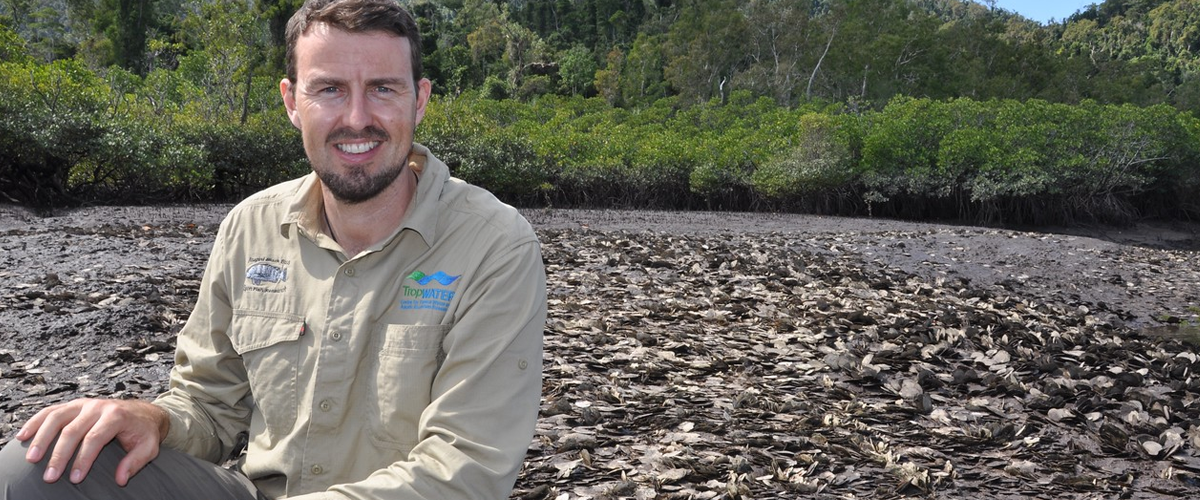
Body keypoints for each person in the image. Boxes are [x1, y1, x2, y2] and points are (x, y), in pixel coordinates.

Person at [0, 0, 547, 498]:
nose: (357, 118)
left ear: (420, 99)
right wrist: (150, 419)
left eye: (383, 88)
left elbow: (466, 468)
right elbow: (209, 406)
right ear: (291, 102)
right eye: (329, 89)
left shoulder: (493, 245)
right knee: (35, 464)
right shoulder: (252, 226)